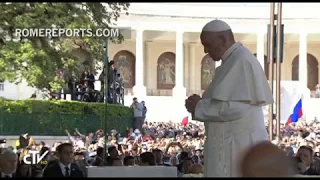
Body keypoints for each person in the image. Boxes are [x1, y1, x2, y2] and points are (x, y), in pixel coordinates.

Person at [185, 19, 274, 177]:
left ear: (223, 40)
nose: (205, 50)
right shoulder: (232, 61)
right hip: (229, 144)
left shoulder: (241, 60)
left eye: (208, 44)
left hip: (238, 146)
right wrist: (201, 103)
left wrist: (199, 106)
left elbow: (235, 107)